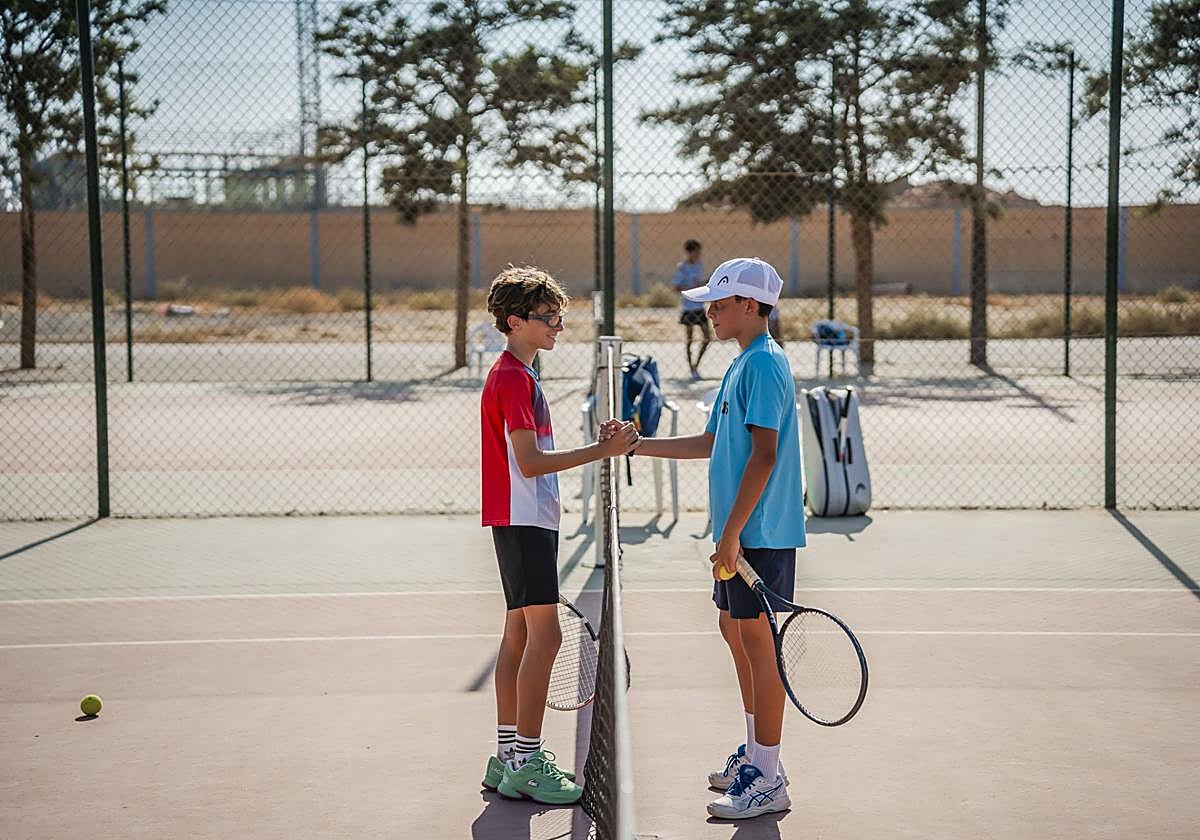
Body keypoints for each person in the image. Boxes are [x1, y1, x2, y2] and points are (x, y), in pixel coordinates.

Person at [618, 257, 805, 820]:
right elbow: (711, 441)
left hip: (759, 535)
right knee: (733, 629)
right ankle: (757, 754)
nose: (709, 311)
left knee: (758, 646)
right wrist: (636, 445)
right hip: (741, 535)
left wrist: (731, 537)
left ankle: (769, 775)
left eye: (719, 303)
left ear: (751, 305)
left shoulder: (765, 365)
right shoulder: (740, 365)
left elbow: (766, 455)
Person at [478, 266, 639, 806]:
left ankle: (507, 758)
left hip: (521, 521)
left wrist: (597, 445)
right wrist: (604, 453)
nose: (559, 327)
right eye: (549, 318)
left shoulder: (517, 374)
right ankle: (525, 759)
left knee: (519, 639)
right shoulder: (513, 378)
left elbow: (528, 456)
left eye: (560, 317)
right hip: (523, 521)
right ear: (516, 321)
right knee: (544, 639)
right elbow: (528, 462)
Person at [672, 239, 711, 380]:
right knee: (689, 339)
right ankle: (691, 369)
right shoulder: (682, 268)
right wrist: (691, 288)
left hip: (699, 306)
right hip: (688, 308)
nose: (699, 254)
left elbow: (699, 282)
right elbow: (676, 287)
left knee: (707, 338)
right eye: (696, 252)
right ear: (690, 252)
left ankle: (696, 365)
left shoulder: (699, 266)